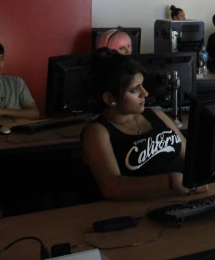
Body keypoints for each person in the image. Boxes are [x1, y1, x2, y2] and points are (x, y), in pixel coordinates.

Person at [81, 50, 206, 200]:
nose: (145, 93)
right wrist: (169, 181)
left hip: (185, 196)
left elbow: (190, 156)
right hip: (145, 204)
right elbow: (111, 186)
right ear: (109, 98)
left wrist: (200, 176)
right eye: (135, 90)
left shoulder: (156, 114)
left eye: (142, 85)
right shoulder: (97, 131)